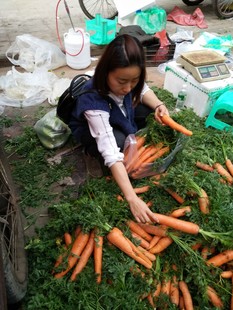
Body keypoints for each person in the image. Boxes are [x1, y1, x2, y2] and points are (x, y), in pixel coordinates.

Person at [69, 34, 169, 223]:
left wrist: (158, 105)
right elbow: (110, 152)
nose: (128, 87)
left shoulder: (129, 82)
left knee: (148, 110)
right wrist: (132, 198)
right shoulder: (92, 102)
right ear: (106, 72)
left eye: (134, 80)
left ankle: (129, 131)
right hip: (91, 130)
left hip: (116, 112)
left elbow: (144, 89)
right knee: (119, 143)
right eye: (122, 81)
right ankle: (90, 153)